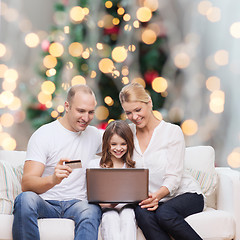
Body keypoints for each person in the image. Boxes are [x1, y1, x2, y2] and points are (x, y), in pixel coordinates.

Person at [12, 84, 103, 240]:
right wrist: (53, 179)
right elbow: (27, 184)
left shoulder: (95, 135)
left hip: (78, 204)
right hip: (46, 202)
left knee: (92, 210)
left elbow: (125, 140)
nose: (86, 118)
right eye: (80, 111)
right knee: (24, 199)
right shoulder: (44, 135)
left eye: (90, 112)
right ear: (67, 106)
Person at [119, 82, 204, 240]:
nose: (134, 117)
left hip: (185, 194)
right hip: (152, 199)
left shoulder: (172, 132)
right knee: (141, 212)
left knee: (164, 213)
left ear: (149, 102)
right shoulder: (127, 133)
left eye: (138, 110)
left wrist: (157, 196)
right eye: (128, 113)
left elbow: (174, 177)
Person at [89, 120, 137, 240]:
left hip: (128, 207)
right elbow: (91, 194)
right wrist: (104, 203)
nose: (119, 148)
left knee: (128, 216)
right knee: (110, 218)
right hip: (106, 208)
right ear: (106, 144)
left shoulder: (134, 166)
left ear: (129, 144)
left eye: (123, 144)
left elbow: (138, 192)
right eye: (114, 144)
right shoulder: (95, 165)